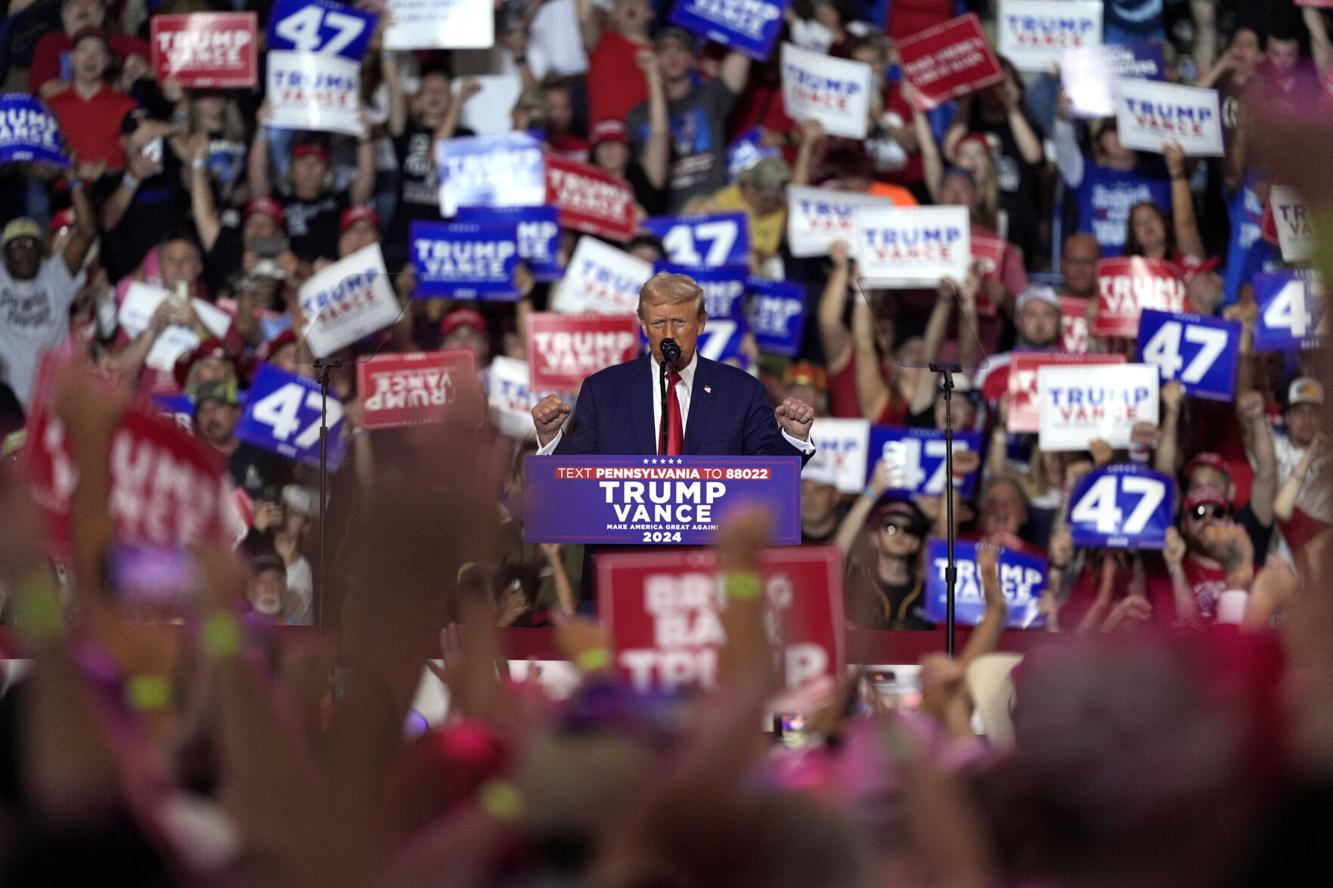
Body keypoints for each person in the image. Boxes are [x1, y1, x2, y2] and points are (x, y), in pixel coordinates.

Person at [531, 272, 815, 459]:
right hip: (624, 549)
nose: (668, 335)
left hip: (708, 548)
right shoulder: (603, 391)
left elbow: (769, 478)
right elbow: (576, 478)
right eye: (657, 323)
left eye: (679, 322)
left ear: (701, 323)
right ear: (643, 325)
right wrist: (550, 437)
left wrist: (793, 438)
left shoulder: (741, 392)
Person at [625, 27, 751, 212]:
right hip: (665, 217)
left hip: (712, 208)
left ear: (693, 59)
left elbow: (742, 56)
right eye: (664, 51)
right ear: (654, 59)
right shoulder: (637, 116)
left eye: (680, 50)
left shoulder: (710, 95)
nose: (672, 57)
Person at [0, 178, 97, 410]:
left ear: (41, 251)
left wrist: (73, 180)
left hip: (52, 406)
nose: (23, 251)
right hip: (6, 406)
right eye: (15, 246)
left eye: (30, 244)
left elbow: (87, 232)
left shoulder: (56, 276)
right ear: (4, 255)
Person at [44, 27, 139, 171]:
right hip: (63, 187)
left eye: (98, 51)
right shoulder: (50, 107)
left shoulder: (126, 105)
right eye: (83, 49)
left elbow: (137, 160)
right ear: (71, 58)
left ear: (107, 61)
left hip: (111, 185)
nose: (91, 57)